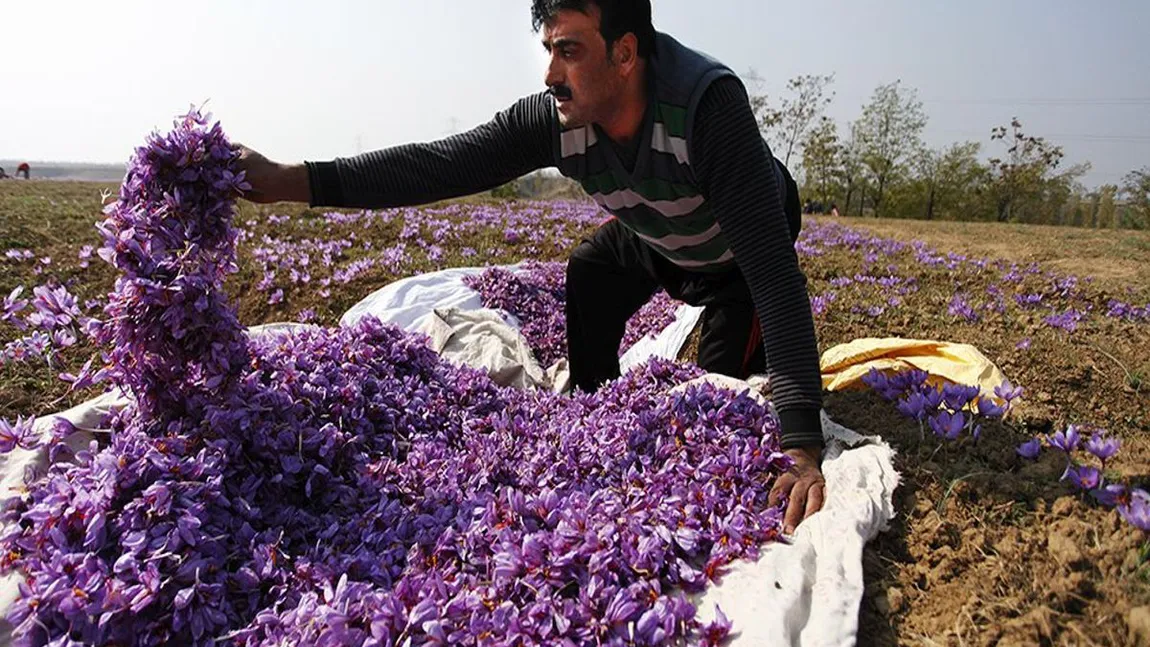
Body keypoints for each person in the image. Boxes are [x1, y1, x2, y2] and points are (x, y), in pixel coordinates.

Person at [235, 0, 827, 532]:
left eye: (569, 50)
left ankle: (728, 331)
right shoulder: (556, 120)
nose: (550, 74)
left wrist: (801, 441)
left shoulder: (705, 108)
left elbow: (775, 272)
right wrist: (291, 180)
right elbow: (438, 165)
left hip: (733, 258)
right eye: (548, 50)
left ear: (624, 54)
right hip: (653, 233)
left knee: (718, 396)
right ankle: (596, 409)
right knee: (592, 269)